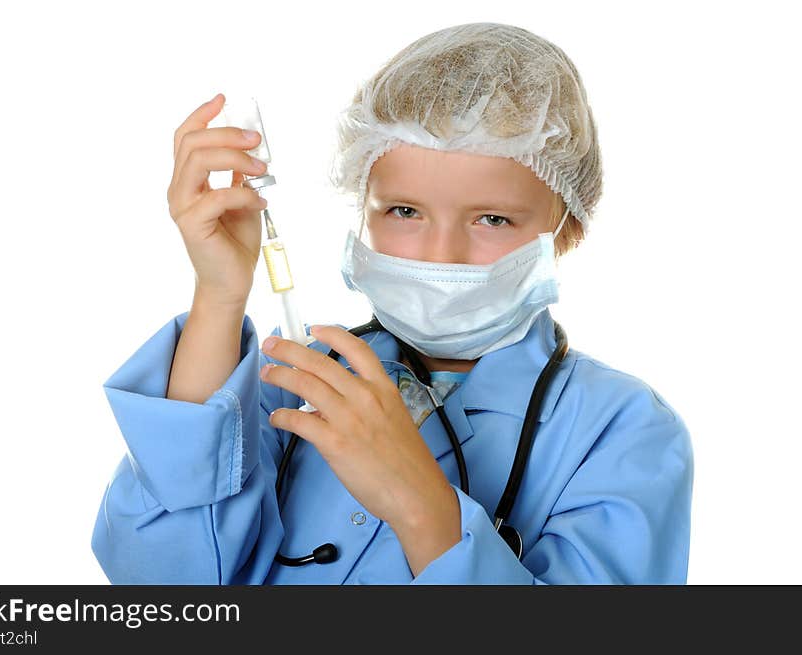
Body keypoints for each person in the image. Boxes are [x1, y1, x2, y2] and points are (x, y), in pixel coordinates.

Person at [91, 23, 693, 584]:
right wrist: (220, 294)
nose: (440, 254)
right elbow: (158, 582)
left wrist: (416, 500)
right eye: (404, 211)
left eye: (493, 218)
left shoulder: (623, 431)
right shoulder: (296, 377)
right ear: (364, 206)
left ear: (568, 229)